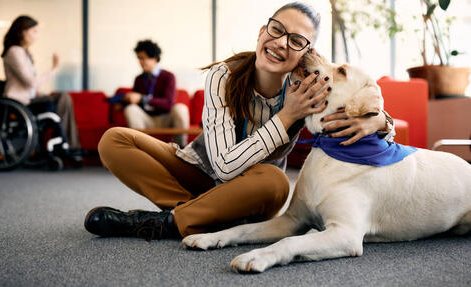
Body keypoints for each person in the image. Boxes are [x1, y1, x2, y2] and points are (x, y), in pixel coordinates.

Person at [84, 2, 395, 240]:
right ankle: (199, 216)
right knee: (114, 140)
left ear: (305, 53)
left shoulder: (309, 85)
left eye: (296, 40)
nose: (282, 43)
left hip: (253, 189)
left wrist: (380, 121)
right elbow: (223, 167)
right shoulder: (224, 75)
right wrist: (287, 115)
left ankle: (168, 222)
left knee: (275, 182)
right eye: (276, 30)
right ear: (262, 33)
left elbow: (356, 98)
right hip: (199, 170)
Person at [1, 15, 82, 163]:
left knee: (63, 98)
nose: (36, 36)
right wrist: (54, 69)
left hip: (29, 98)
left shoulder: (24, 52)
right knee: (62, 98)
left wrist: (40, 93)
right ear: (22, 32)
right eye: (34, 31)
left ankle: (65, 145)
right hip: (19, 103)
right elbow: (30, 83)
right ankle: (66, 146)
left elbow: (29, 86)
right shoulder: (14, 51)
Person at [122, 40, 189, 147]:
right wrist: (125, 102)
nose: (141, 61)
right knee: (130, 109)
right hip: (147, 118)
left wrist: (142, 98)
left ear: (155, 58)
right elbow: (137, 105)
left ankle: (181, 149)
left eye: (144, 58)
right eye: (139, 58)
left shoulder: (168, 76)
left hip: (165, 118)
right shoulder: (139, 79)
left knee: (181, 108)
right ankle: (142, 149)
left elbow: (168, 104)